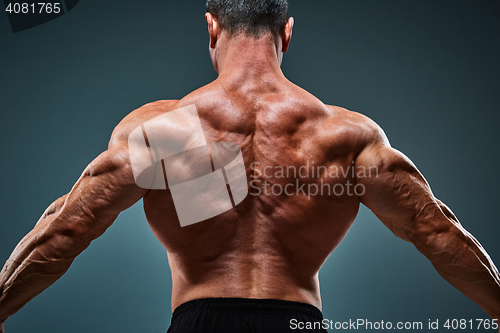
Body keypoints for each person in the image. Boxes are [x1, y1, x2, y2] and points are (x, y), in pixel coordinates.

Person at [1, 0, 499, 332]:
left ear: (211, 26)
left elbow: (68, 227)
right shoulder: (343, 136)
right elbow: (435, 230)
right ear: (286, 33)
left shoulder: (171, 129)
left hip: (200, 320)